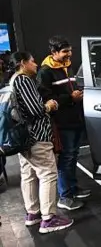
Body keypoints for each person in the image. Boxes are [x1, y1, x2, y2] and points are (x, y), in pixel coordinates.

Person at [10, 51, 74, 233]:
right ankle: (48, 218)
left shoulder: (13, 80)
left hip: (25, 138)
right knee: (47, 174)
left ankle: (33, 213)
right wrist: (50, 105)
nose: (36, 64)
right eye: (32, 61)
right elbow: (35, 110)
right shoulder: (23, 81)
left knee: (28, 174)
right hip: (37, 136)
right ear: (23, 63)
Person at [37, 36, 90, 211]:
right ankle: (65, 196)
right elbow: (45, 99)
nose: (69, 54)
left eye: (70, 50)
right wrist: (70, 98)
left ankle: (72, 188)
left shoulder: (67, 66)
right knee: (66, 157)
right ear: (53, 53)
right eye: (65, 51)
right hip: (61, 121)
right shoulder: (45, 71)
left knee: (73, 155)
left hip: (75, 118)